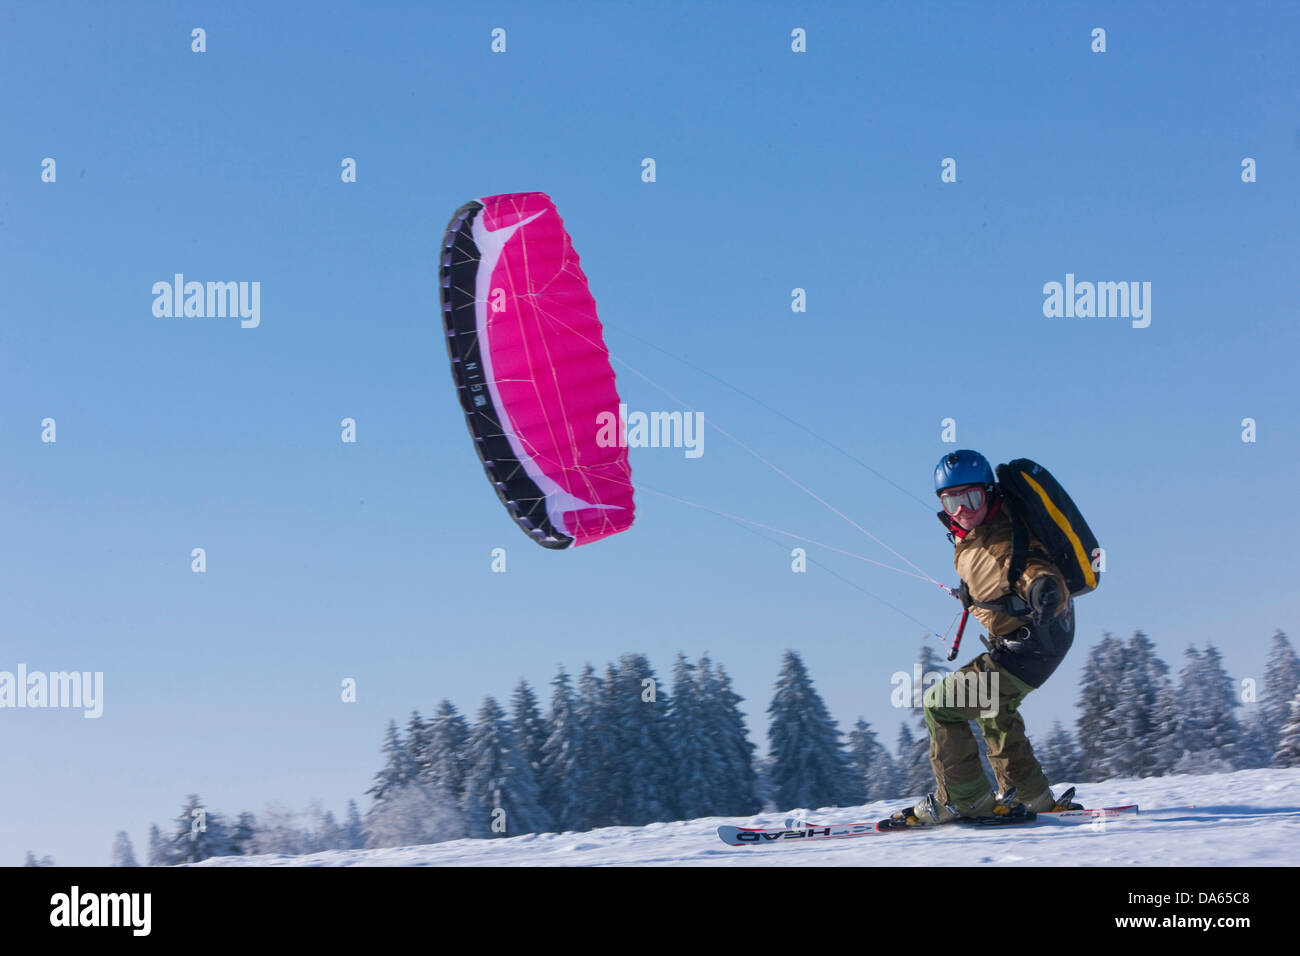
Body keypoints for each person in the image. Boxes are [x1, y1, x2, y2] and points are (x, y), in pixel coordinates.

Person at [887, 449, 1081, 827]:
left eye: (971, 498)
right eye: (952, 501)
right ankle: (1032, 796)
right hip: (1039, 643)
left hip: (1029, 647)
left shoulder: (1001, 536)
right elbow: (994, 576)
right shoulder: (973, 534)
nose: (962, 509)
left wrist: (1044, 588)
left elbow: (1032, 566)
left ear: (988, 493)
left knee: (940, 706)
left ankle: (965, 800)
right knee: (994, 708)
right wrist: (975, 596)